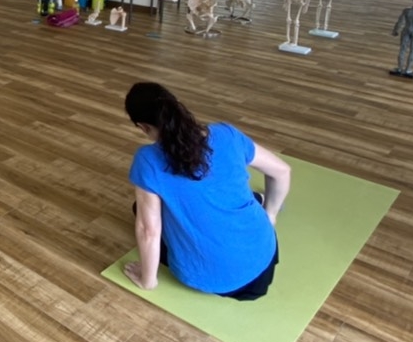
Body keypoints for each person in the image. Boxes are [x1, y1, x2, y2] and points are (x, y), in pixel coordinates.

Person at [121, 82, 289, 299]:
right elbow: (282, 172)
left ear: (143, 127)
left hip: (215, 282)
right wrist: (270, 216)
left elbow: (148, 231)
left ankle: (256, 201)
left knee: (141, 208)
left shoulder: (147, 160)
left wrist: (147, 280)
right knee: (222, 193)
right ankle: (260, 201)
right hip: (266, 258)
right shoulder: (227, 134)